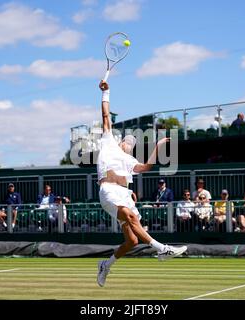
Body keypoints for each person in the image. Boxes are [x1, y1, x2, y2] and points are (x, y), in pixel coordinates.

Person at [96, 80, 187, 287]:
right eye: (126, 141)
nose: (128, 144)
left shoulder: (130, 161)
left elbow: (146, 167)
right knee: (128, 216)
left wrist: (159, 146)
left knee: (132, 241)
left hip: (124, 195)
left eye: (131, 144)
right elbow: (105, 116)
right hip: (108, 191)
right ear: (120, 142)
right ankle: (162, 248)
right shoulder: (108, 141)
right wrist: (106, 93)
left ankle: (106, 265)